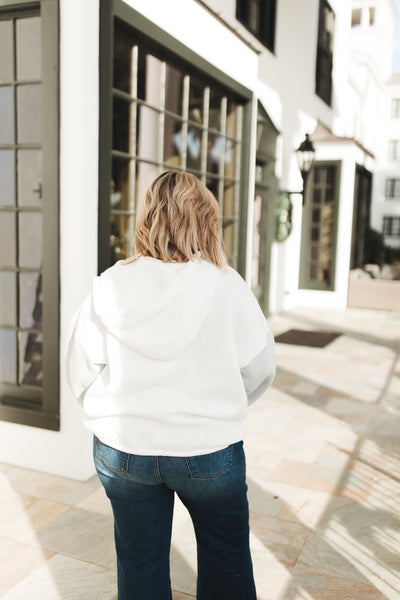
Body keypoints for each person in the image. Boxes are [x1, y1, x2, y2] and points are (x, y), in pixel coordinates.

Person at [66, 169, 276, 600]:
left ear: (146, 217)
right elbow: (260, 370)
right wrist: (221, 405)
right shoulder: (225, 284)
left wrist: (119, 410)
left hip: (123, 450)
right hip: (208, 450)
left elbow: (80, 372)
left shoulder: (109, 284)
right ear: (205, 219)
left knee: (139, 561)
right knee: (226, 557)